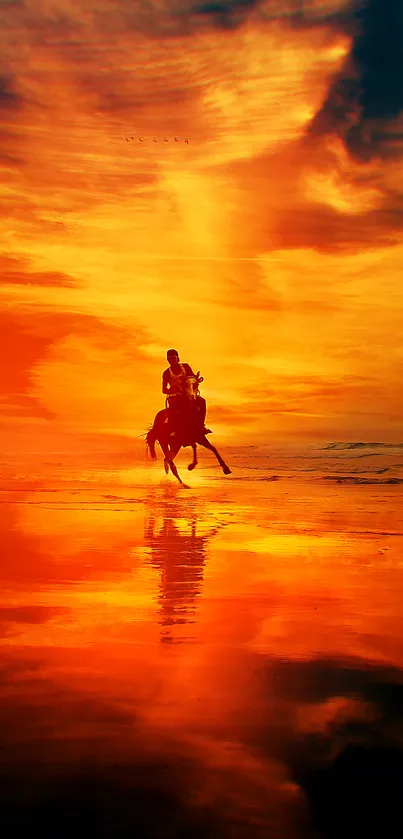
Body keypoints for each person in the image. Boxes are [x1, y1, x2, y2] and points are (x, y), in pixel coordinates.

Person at [162, 349, 211, 435]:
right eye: (169, 359)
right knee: (175, 411)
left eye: (173, 358)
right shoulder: (166, 373)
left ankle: (201, 426)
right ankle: (175, 430)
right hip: (174, 396)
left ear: (178, 358)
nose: (171, 360)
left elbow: (191, 378)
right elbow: (163, 390)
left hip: (187, 393)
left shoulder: (185, 366)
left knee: (202, 401)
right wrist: (173, 389)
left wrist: (195, 381)